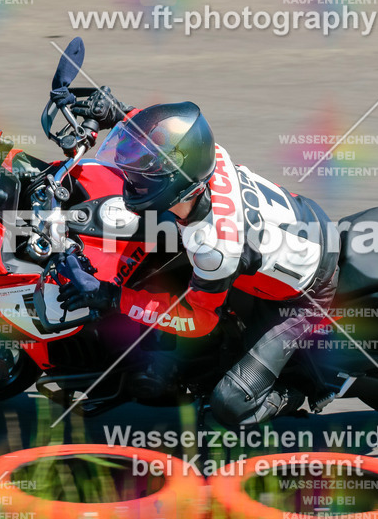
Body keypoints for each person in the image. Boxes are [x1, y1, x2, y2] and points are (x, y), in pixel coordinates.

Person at [57, 99, 339, 427]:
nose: (130, 177)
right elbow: (163, 137)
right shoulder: (206, 156)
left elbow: (198, 320)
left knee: (229, 405)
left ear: (174, 184)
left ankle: (297, 389)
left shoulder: (213, 247)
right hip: (303, 221)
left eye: (142, 174)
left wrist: (111, 298)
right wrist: (114, 111)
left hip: (306, 295)